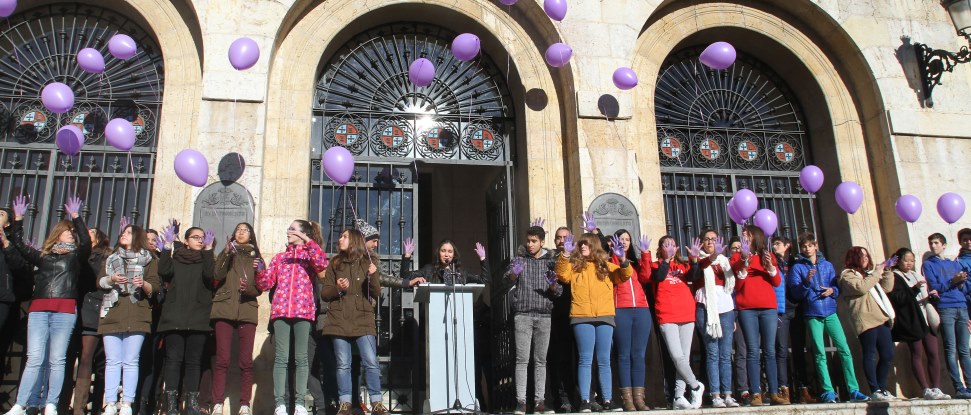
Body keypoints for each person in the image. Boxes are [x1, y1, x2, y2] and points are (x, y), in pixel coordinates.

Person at [4, 196, 91, 415]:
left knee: (57, 359)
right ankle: (20, 404)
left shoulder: (75, 255)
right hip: (39, 309)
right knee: (34, 358)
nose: (71, 233)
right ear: (57, 233)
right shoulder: (43, 256)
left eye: (73, 231)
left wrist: (76, 217)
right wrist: (19, 219)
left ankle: (51, 404)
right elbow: (19, 246)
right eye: (67, 230)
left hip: (64, 309)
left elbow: (87, 243)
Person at [555, 232, 633, 412]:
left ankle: (607, 400)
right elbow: (561, 274)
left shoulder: (606, 266)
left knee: (604, 359)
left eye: (586, 244)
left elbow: (624, 276)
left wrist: (622, 259)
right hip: (582, 316)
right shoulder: (574, 267)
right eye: (580, 244)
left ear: (595, 246)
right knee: (585, 359)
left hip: (605, 315)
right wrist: (565, 255)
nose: (582, 247)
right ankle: (585, 401)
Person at [787, 233, 869, 403]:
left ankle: (853, 389)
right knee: (819, 353)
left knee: (844, 349)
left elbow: (836, 286)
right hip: (812, 312)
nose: (807, 249)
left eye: (810, 245)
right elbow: (795, 293)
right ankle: (827, 391)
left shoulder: (827, 265)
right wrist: (807, 282)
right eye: (804, 246)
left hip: (830, 311)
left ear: (815, 246)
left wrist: (833, 291)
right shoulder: (797, 267)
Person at [257, 220, 328, 415]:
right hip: (281, 311)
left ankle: (299, 404)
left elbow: (322, 263)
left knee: (301, 359)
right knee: (281, 358)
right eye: (288, 228)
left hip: (303, 311)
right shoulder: (280, 258)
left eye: (292, 229)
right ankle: (280, 403)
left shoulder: (309, 257)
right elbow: (265, 284)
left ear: (303, 233)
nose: (288, 231)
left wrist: (307, 240)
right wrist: (259, 270)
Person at [320, 228, 385, 415]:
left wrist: (373, 275)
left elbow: (376, 292)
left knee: (371, 361)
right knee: (343, 363)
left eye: (344, 236)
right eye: (340, 236)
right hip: (339, 319)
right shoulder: (335, 262)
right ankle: (345, 403)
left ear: (355, 240)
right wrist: (338, 289)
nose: (340, 239)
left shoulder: (368, 262)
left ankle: (377, 402)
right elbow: (325, 293)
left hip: (363, 318)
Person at [98, 224, 159, 415]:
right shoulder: (111, 258)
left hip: (137, 311)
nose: (123, 235)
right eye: (122, 232)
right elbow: (99, 282)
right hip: (113, 311)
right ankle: (109, 402)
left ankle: (126, 403)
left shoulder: (149, 260)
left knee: (131, 361)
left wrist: (145, 284)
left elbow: (155, 288)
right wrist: (112, 279)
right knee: (112, 360)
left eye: (128, 233)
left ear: (137, 237)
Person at [156, 225, 217, 415]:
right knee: (173, 361)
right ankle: (172, 405)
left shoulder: (207, 259)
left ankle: (192, 404)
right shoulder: (176, 258)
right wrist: (166, 245)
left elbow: (210, 275)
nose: (200, 240)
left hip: (198, 317)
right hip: (174, 317)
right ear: (186, 241)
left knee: (194, 361)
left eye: (202, 237)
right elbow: (164, 271)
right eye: (195, 237)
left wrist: (208, 250)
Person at [504, 223, 561, 414]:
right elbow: (506, 280)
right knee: (522, 360)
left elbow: (559, 291)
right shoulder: (519, 260)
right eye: (528, 241)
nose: (530, 244)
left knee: (540, 360)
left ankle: (539, 402)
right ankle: (521, 401)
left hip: (544, 315)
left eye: (534, 241)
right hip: (523, 315)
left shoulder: (550, 262)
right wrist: (514, 274)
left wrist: (553, 286)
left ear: (542, 243)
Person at [730, 226, 788, 406]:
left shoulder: (766, 255)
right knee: (753, 351)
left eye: (747, 235)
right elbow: (737, 286)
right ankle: (756, 393)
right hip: (747, 308)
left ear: (755, 237)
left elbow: (777, 281)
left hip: (768, 308)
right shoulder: (737, 257)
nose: (744, 238)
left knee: (770, 351)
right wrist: (744, 263)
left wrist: (771, 267)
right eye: (743, 235)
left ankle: (774, 391)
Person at [210, 223, 264, 415]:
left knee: (246, 362)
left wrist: (247, 289)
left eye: (245, 230)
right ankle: (217, 403)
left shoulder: (256, 258)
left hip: (246, 310)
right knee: (222, 360)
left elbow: (261, 286)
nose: (240, 232)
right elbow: (217, 274)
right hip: (224, 308)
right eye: (238, 230)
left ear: (251, 236)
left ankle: (244, 404)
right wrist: (225, 253)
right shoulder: (227, 254)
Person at [887, 247, 949, 400]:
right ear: (898, 261)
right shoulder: (894, 276)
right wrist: (913, 289)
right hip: (911, 319)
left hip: (925, 317)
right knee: (917, 353)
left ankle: (936, 387)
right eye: (906, 260)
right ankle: (925, 389)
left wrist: (932, 296)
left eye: (912, 261)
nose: (909, 263)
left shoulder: (916, 275)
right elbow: (898, 298)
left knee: (933, 353)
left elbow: (924, 293)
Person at [650, 236, 703, 410]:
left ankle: (679, 396)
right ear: (660, 248)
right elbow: (658, 277)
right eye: (666, 245)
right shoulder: (657, 265)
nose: (670, 247)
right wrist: (666, 260)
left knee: (684, 358)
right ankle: (696, 386)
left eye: (673, 244)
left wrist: (694, 260)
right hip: (667, 315)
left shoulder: (683, 265)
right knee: (676, 356)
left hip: (687, 313)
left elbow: (695, 276)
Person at [838, 246, 897, 401]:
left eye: (866, 255)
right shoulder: (847, 275)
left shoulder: (870, 275)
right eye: (861, 255)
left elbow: (887, 288)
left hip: (880, 318)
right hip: (865, 320)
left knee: (888, 354)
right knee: (870, 354)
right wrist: (877, 272)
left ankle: (882, 387)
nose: (865, 258)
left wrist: (888, 271)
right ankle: (875, 389)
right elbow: (862, 287)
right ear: (853, 258)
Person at [692, 230, 739, 408]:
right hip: (706, 310)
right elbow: (697, 272)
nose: (710, 242)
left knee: (726, 354)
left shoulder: (724, 261)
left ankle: (728, 394)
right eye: (707, 239)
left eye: (713, 239)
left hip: (726, 310)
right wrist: (712, 256)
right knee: (713, 353)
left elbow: (733, 279)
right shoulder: (698, 259)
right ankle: (715, 395)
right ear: (702, 242)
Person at [922, 232, 971, 398]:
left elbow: (963, 289)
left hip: (961, 306)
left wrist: (961, 282)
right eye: (931, 243)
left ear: (944, 245)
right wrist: (953, 281)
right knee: (951, 349)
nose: (933, 246)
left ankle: (970, 386)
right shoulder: (928, 265)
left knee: (964, 350)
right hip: (946, 307)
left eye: (936, 243)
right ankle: (959, 387)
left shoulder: (955, 264)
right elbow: (934, 287)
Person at [609, 229, 653, 412]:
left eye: (627, 239)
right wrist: (615, 254)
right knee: (624, 355)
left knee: (639, 355)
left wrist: (645, 254)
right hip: (621, 309)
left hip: (641, 310)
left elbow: (646, 277)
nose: (625, 242)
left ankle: (639, 399)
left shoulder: (636, 263)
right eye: (621, 239)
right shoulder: (612, 261)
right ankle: (627, 399)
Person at [71, 226, 112, 415]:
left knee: (95, 360)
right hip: (77, 310)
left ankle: (93, 406)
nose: (86, 236)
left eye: (91, 233)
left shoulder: (104, 256)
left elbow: (98, 277)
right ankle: (74, 405)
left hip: (95, 311)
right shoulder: (77, 254)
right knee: (81, 359)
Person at [547, 227, 578, 412]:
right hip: (556, 315)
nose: (561, 241)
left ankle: (583, 397)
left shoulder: (578, 260)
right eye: (558, 238)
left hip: (578, 313)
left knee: (579, 358)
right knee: (559, 359)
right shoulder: (550, 260)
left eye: (565, 238)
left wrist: (595, 232)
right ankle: (561, 398)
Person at [770, 236, 795, 402]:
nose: (774, 246)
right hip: (779, 309)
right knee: (780, 348)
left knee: (796, 349)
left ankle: (800, 388)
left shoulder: (794, 262)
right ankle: (782, 387)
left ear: (788, 246)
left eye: (778, 243)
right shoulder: (772, 261)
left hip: (794, 307)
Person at [403, 240, 489, 285]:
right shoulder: (429, 270)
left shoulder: (460, 273)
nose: (446, 254)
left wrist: (483, 259)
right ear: (438, 253)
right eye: (443, 251)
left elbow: (484, 280)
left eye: (450, 251)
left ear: (454, 255)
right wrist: (407, 256)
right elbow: (406, 276)